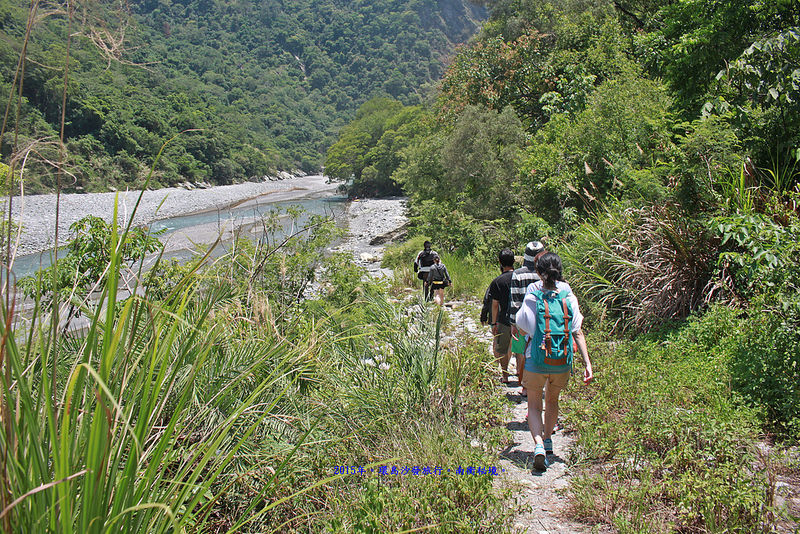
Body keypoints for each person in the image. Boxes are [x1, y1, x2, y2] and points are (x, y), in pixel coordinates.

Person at [515, 252, 593, 472]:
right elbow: (577, 332)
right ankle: (548, 440)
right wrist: (587, 363)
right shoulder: (569, 297)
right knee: (552, 401)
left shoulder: (532, 296)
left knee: (533, 404)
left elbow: (522, 328)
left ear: (538, 271)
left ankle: (538, 445)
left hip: (535, 360)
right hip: (562, 362)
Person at [508, 241, 546, 396]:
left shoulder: (518, 273)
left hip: (523, 320)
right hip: (543, 320)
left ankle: (523, 384)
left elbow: (514, 300)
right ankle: (539, 383)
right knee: (539, 350)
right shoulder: (545, 274)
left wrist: (513, 323)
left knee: (521, 351)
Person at [489, 248, 516, 383]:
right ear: (514, 261)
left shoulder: (497, 281)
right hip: (519, 319)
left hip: (504, 318)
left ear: (500, 262)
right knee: (520, 348)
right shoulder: (520, 277)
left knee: (503, 347)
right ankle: (521, 375)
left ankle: (505, 375)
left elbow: (495, 304)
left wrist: (494, 323)